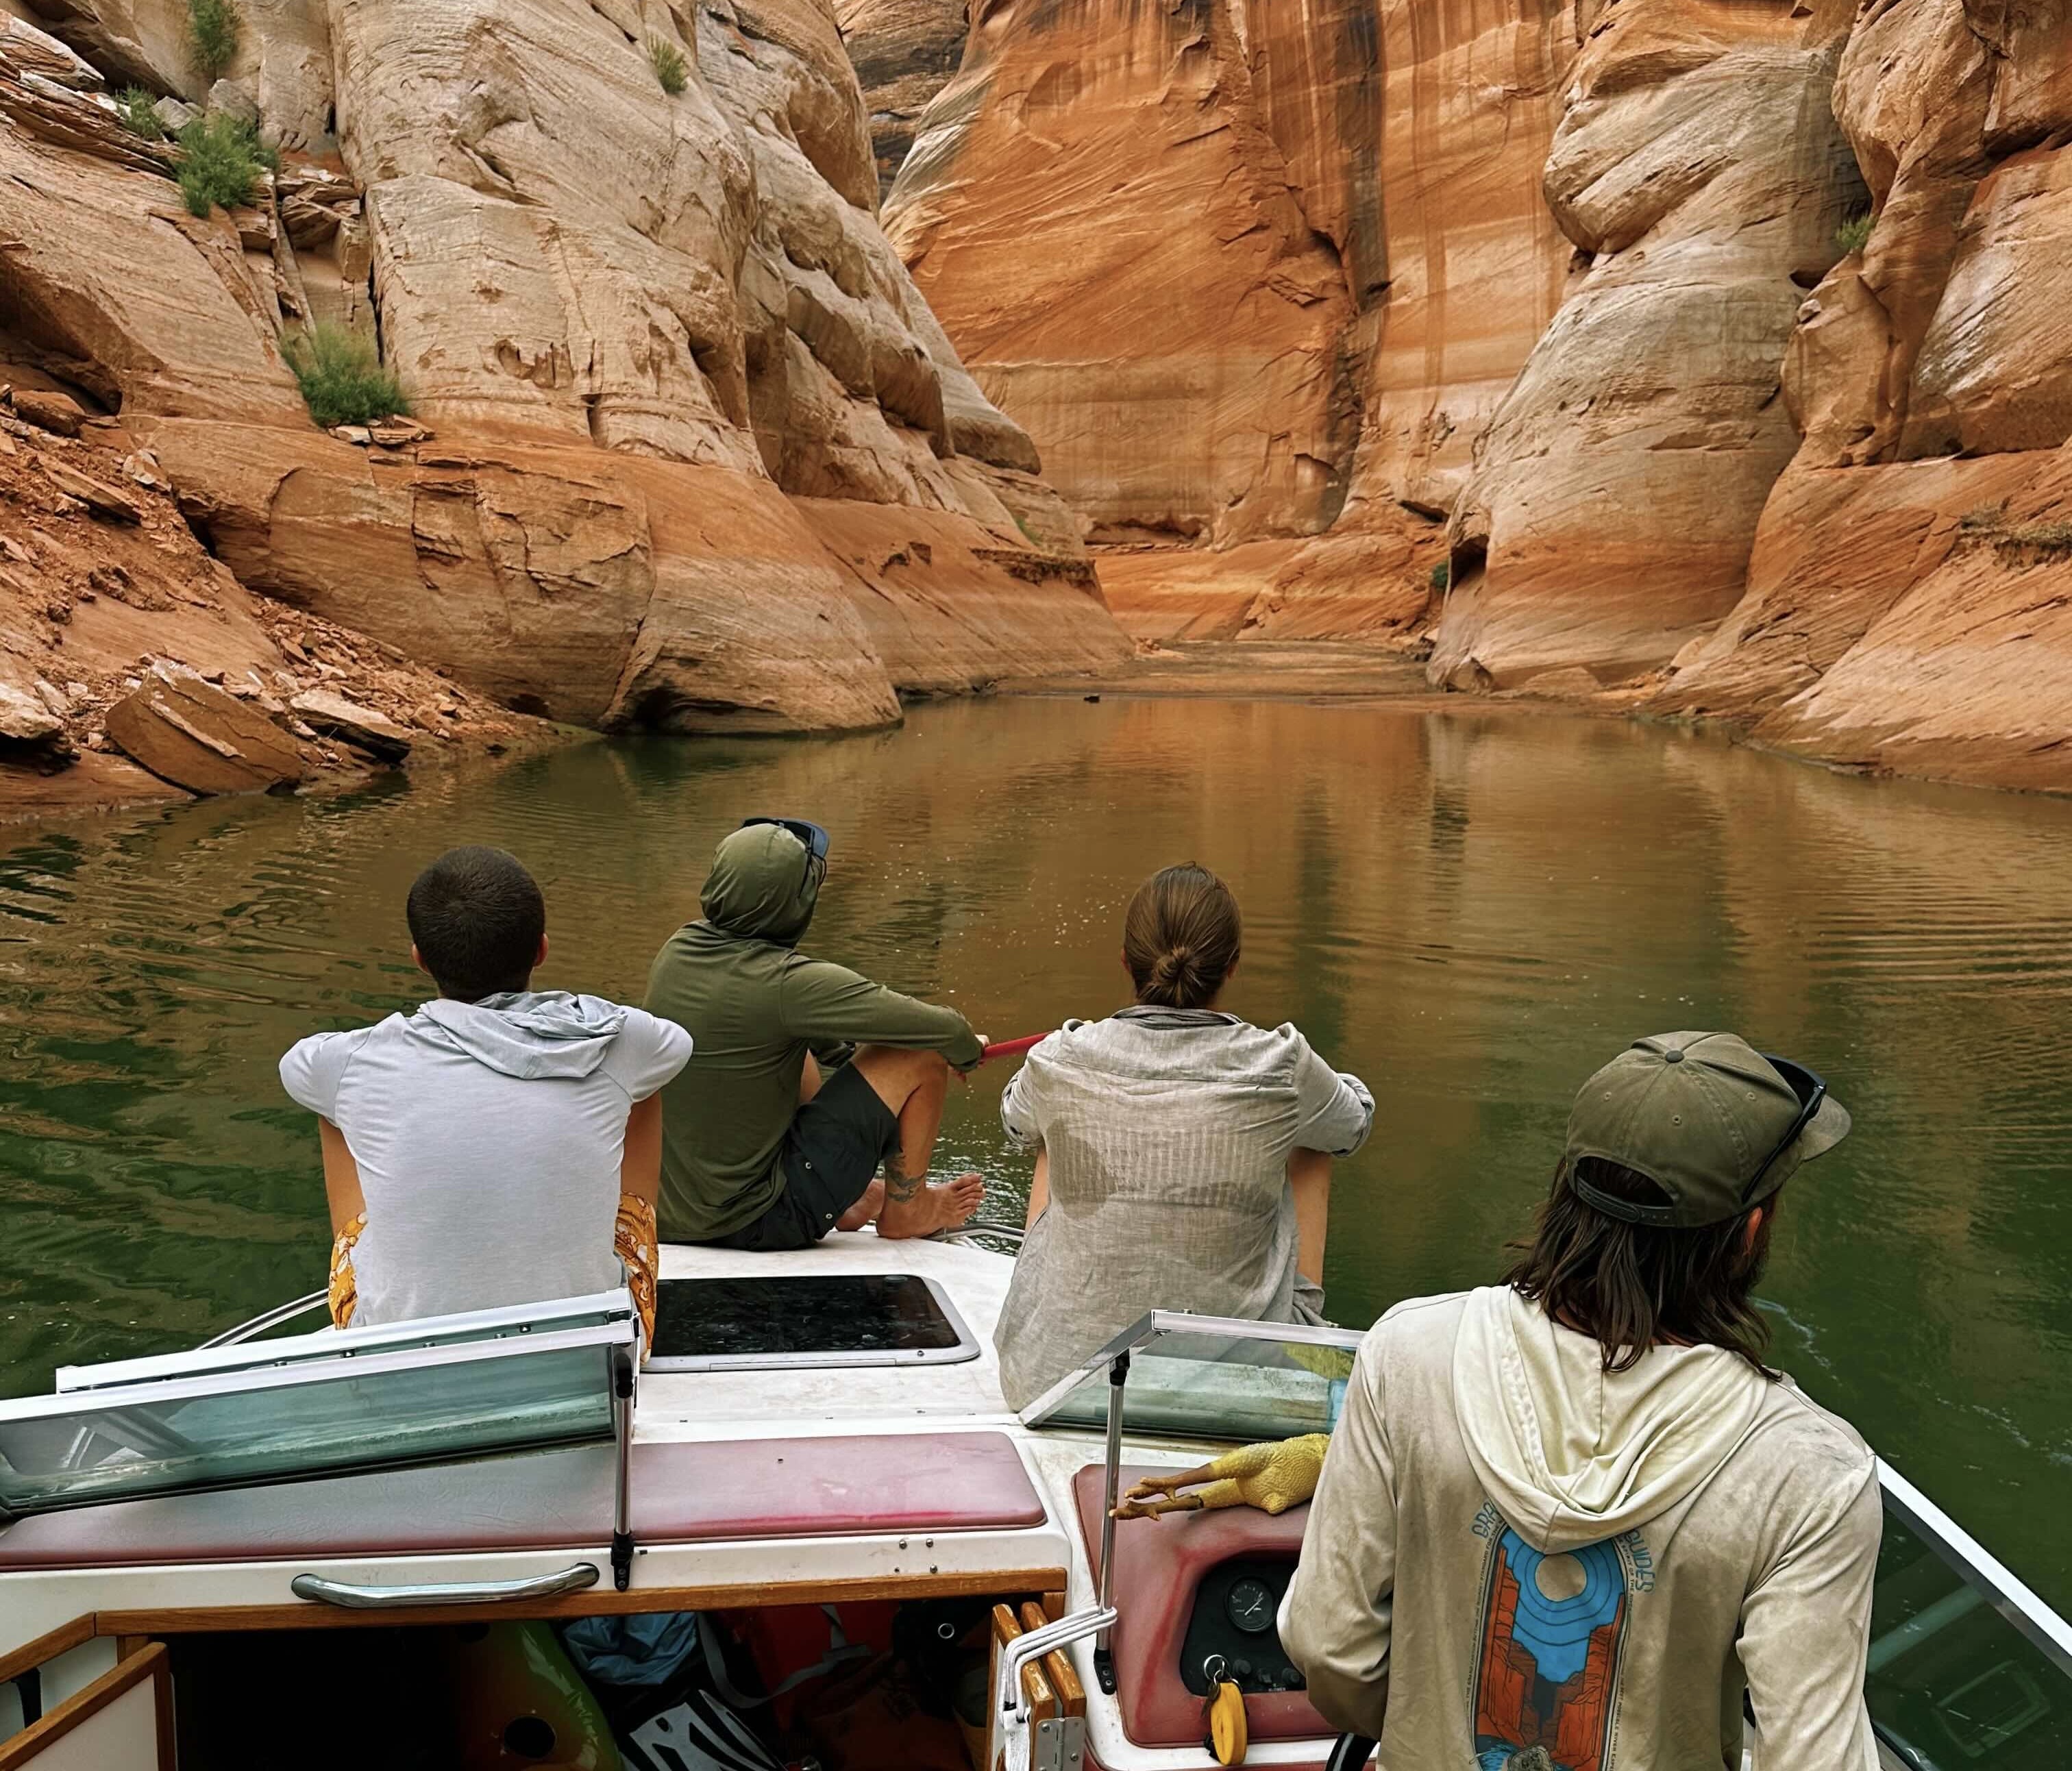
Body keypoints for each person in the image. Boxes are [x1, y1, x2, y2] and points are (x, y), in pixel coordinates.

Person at [1280, 1030, 1879, 1770]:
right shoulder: (1809, 1473)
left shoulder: (1407, 1355)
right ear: (1747, 1233)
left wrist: (1419, 1724)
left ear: (1565, 1191)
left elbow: (1327, 1644)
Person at [991, 862, 1372, 1410]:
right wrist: (1318, 1084)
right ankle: (1298, 1335)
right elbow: (1353, 1124)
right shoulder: (1282, 1064)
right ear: (1233, 966)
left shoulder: (1061, 1056)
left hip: (1049, 1382)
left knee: (1050, 1128)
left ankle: (1067, 1327)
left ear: (1126, 961)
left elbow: (1013, 1118)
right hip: (1239, 1396)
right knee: (1315, 1137)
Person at [279, 846, 691, 1337]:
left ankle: (377, 1258)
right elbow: (676, 1044)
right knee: (641, 1086)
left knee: (334, 1108)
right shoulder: (612, 1041)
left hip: (396, 1355)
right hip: (593, 1354)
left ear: (420, 960)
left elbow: (295, 1065)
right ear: (541, 949)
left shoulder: (351, 1062)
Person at [644, 817, 987, 1249]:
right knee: (921, 1054)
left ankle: (853, 1198)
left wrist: (858, 1057)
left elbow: (825, 1045)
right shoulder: (786, 984)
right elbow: (945, 1031)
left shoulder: (677, 950)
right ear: (797, 904)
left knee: (792, 1045)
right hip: (759, 1221)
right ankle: (908, 1209)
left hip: (674, 1214)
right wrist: (963, 1052)